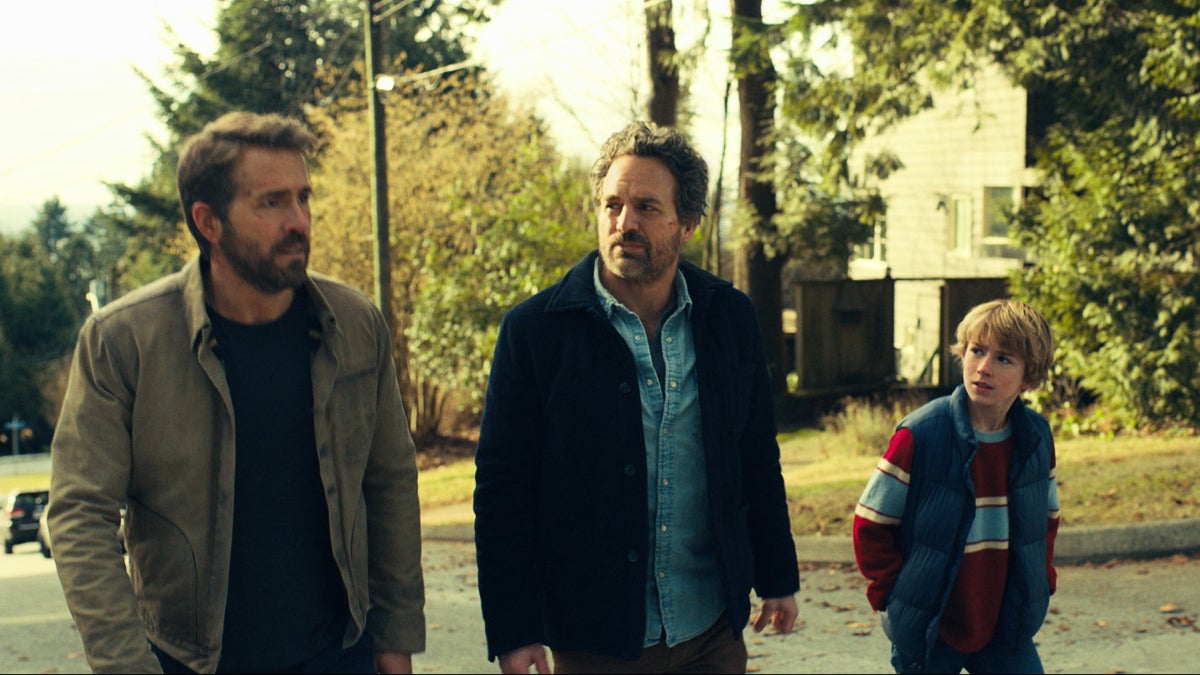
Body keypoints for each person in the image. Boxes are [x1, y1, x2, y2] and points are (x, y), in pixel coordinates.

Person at [47, 111, 426, 674]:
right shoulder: (123, 340)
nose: (298, 220)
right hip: (186, 659)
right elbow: (80, 514)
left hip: (337, 654)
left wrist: (395, 637)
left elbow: (389, 480)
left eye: (302, 197)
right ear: (209, 221)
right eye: (271, 203)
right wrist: (126, 664)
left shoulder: (354, 323)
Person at [472, 121, 800, 674]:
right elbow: (502, 490)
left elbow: (755, 457)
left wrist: (777, 577)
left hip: (709, 630)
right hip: (593, 639)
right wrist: (515, 628)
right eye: (613, 205)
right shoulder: (535, 332)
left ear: (686, 224)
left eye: (646, 207)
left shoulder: (729, 317)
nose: (625, 222)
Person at [852, 299, 1060, 674]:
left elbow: (1046, 519)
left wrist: (1041, 580)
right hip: (930, 626)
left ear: (1029, 378)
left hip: (1005, 623)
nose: (983, 367)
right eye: (977, 351)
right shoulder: (921, 434)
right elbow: (871, 522)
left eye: (1003, 359)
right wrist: (892, 593)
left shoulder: (1036, 437)